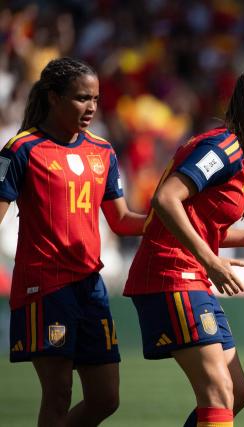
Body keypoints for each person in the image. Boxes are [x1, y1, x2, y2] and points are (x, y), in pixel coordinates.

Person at [123, 70, 244, 427]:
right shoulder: (223, 148)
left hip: (190, 275)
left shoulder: (239, 158)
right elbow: (166, 199)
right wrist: (211, 261)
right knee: (219, 393)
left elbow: (202, 222)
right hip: (170, 273)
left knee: (237, 391)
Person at [0, 57, 146, 427]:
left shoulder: (102, 151)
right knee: (58, 393)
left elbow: (123, 221)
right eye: (82, 98)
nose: (92, 107)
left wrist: (174, 219)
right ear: (53, 97)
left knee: (106, 398)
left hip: (90, 287)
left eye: (95, 99)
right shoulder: (20, 150)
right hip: (44, 286)